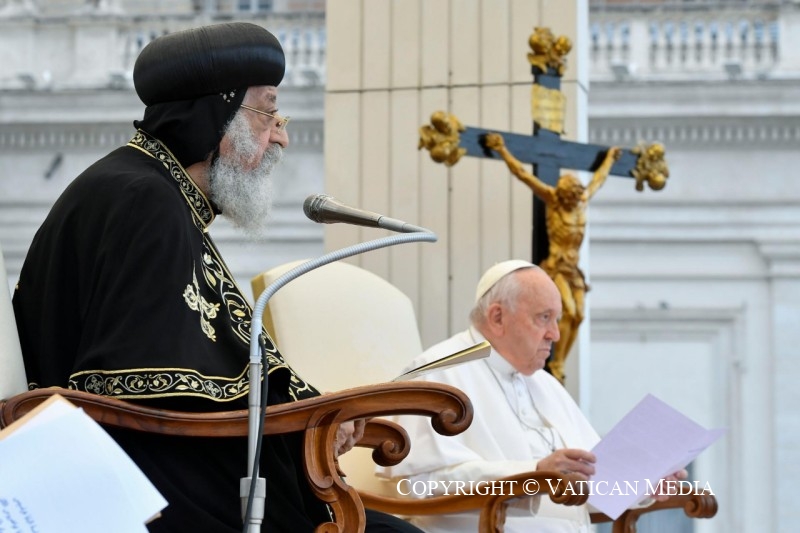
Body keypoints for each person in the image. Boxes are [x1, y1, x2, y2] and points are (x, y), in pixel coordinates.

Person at [12, 22, 419, 533]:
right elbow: (149, 388)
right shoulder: (144, 201)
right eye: (269, 112)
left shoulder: (154, 191)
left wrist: (312, 412)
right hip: (150, 487)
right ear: (217, 112)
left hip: (163, 467)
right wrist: (303, 423)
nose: (283, 136)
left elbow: (194, 363)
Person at [377, 260, 684, 533]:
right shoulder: (438, 373)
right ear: (498, 317)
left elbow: (587, 488)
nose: (556, 334)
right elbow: (414, 486)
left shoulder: (545, 384)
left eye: (556, 319)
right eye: (544, 317)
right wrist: (534, 474)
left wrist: (643, 482)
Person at [484, 134, 622, 382]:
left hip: (574, 270)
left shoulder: (580, 203)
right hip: (556, 267)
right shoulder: (553, 201)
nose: (575, 197)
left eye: (577, 194)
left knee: (578, 315)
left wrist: (610, 158)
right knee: (567, 310)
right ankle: (556, 364)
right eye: (572, 193)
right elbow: (523, 175)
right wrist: (503, 150)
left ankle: (560, 360)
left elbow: (598, 180)